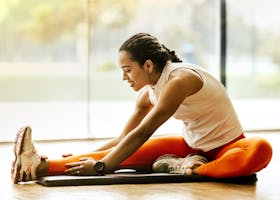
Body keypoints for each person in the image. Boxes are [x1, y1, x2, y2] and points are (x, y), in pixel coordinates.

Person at [11, 33, 272, 183]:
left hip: (229, 147)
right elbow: (123, 140)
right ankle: (34, 166)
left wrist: (103, 167)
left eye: (128, 70)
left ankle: (190, 168)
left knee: (261, 149)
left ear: (148, 65)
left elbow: (144, 131)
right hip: (190, 147)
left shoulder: (180, 80)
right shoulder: (148, 94)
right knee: (120, 152)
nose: (124, 77)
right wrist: (84, 156)